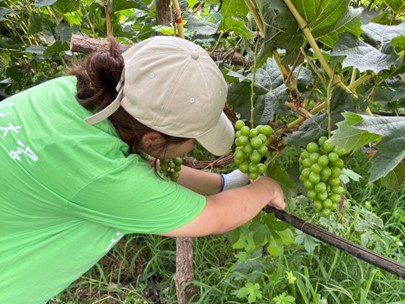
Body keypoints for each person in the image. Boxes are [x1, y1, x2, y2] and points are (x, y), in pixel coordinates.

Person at [0, 35, 285, 303]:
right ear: (153, 139)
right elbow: (216, 217)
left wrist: (225, 184)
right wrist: (266, 188)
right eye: (193, 139)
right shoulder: (101, 176)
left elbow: (135, 172)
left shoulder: (67, 96)